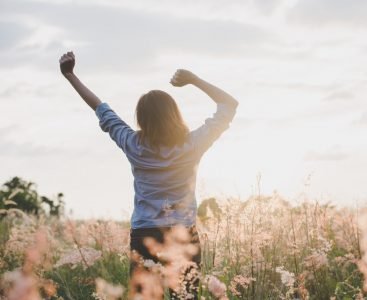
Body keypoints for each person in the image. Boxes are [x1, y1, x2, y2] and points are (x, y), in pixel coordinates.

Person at [59, 51, 239, 299]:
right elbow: (229, 105)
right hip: (183, 235)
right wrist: (194, 79)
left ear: (142, 119)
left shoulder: (133, 144)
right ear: (174, 115)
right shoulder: (192, 145)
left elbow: (100, 108)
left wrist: (70, 75)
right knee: (185, 297)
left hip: (145, 235)